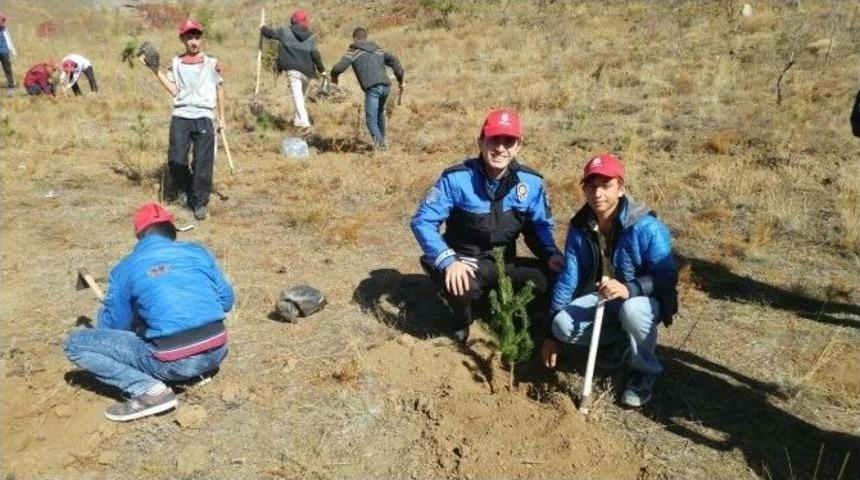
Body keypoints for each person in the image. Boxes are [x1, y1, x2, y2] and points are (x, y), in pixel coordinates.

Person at [65, 202, 235, 422]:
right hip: (217, 352)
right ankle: (197, 372)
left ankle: (150, 392)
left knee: (75, 344)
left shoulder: (125, 268)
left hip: (174, 364)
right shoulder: (198, 252)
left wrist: (127, 314)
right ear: (172, 230)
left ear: (139, 235)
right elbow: (226, 301)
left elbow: (113, 327)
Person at [411, 108, 563, 343]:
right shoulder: (456, 179)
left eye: (508, 141)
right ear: (481, 142)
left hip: (504, 263)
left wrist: (549, 253)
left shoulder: (531, 183)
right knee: (461, 285)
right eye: (494, 139)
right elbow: (423, 221)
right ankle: (461, 320)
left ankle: (512, 318)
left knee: (553, 279)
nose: (500, 148)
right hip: (466, 261)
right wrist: (448, 261)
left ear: (518, 146)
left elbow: (539, 226)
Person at [541, 153, 678, 408]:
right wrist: (550, 334)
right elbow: (568, 278)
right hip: (604, 298)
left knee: (632, 310)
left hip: (644, 300)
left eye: (606, 185)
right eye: (591, 187)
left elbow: (667, 276)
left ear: (621, 188)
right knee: (562, 325)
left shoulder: (646, 226)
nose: (598, 194)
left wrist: (630, 288)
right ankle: (620, 342)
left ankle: (643, 371)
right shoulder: (581, 226)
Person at [141, 19, 226, 221]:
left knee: (203, 163)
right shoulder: (176, 63)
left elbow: (220, 89)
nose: (194, 41)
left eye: (197, 37)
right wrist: (154, 70)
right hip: (181, 115)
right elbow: (173, 90)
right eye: (189, 37)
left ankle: (199, 203)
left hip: (205, 115)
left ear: (201, 39)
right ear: (182, 39)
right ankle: (187, 188)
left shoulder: (212, 63)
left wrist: (222, 118)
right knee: (176, 160)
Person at [330, 27, 404, 150]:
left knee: (370, 121)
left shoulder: (353, 50)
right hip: (386, 87)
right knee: (379, 114)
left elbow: (339, 68)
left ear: (354, 39)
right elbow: (394, 60)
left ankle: (382, 148)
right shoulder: (378, 49)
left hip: (373, 89)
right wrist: (400, 78)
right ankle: (383, 140)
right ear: (365, 37)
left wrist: (334, 78)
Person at [261, 9, 326, 134]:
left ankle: (306, 124)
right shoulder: (311, 36)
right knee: (300, 97)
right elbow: (315, 55)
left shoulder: (285, 31)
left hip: (293, 70)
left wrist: (262, 28)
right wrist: (322, 70)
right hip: (308, 72)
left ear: (293, 21)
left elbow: (270, 33)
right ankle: (298, 124)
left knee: (298, 97)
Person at [0, 11, 16, 95]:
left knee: (8, 71)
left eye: (3, 20)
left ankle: (11, 88)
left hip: (5, 52)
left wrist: (13, 51)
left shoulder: (5, 29)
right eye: (1, 20)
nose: (3, 22)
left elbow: (9, 40)